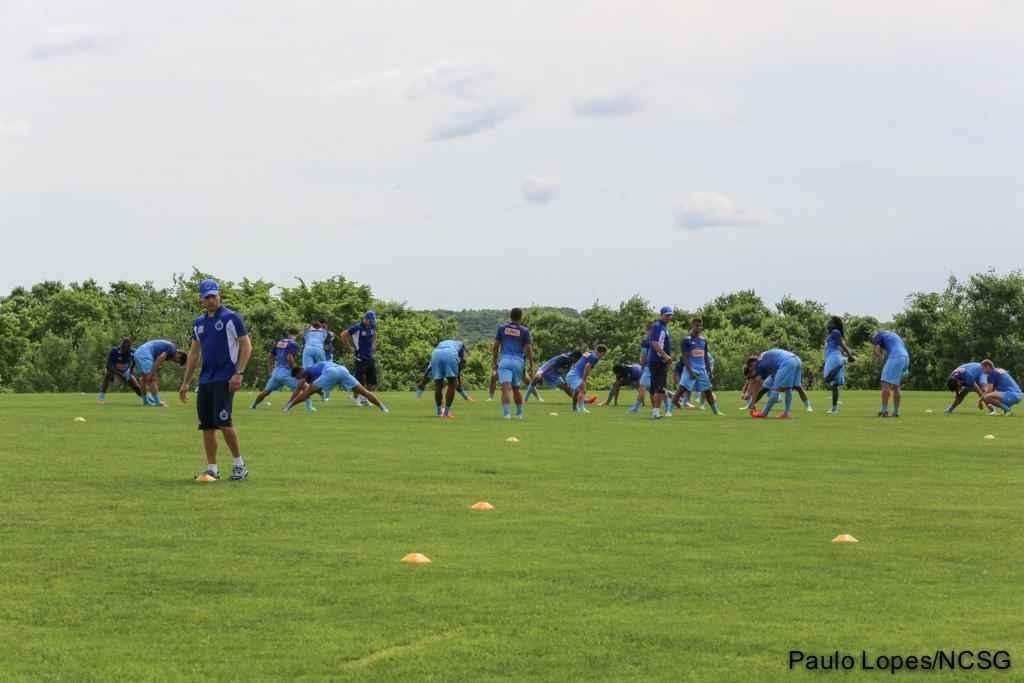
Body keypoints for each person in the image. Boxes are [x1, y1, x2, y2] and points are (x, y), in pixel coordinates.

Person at [178, 279, 253, 481]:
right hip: (206, 380)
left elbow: (246, 346)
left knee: (224, 422)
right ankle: (212, 468)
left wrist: (239, 372)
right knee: (207, 425)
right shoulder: (199, 323)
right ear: (201, 299)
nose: (211, 299)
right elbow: (194, 354)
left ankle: (239, 465)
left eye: (214, 295)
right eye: (207, 297)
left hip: (225, 378)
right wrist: (186, 382)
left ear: (219, 295)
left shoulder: (231, 318)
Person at [284, 361, 388, 413]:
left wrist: (289, 403)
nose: (298, 379)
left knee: (307, 392)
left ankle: (288, 408)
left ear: (299, 372)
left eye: (297, 377)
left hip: (331, 372)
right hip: (342, 369)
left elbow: (299, 389)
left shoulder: (305, 371)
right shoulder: (315, 366)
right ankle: (383, 408)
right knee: (364, 392)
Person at [250, 329, 314, 411]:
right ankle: (306, 407)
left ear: (288, 334)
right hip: (286, 372)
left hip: (276, 372)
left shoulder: (280, 342)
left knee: (266, 392)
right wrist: (295, 371)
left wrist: (270, 371)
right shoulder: (293, 344)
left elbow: (270, 356)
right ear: (297, 335)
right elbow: (289, 357)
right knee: (304, 387)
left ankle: (253, 405)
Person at [492, 308, 534, 419]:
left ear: (510, 316)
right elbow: (529, 349)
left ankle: (507, 414)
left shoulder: (502, 328)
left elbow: (496, 346)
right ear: (521, 317)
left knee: (505, 388)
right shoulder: (524, 331)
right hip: (518, 362)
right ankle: (519, 414)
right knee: (516, 389)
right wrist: (531, 365)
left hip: (504, 361)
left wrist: (494, 362)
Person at [675, 317, 720, 415]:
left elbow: (705, 358)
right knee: (681, 390)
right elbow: (685, 358)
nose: (699, 327)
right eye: (697, 325)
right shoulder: (686, 340)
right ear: (692, 326)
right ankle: (669, 410)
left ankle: (716, 412)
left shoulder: (703, 340)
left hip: (702, 370)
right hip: (690, 369)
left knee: (708, 391)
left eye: (700, 326)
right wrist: (690, 371)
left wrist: (709, 371)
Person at [745, 348, 804, 419]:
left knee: (776, 389)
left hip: (786, 363)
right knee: (788, 388)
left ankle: (764, 413)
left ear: (752, 364)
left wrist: (752, 402)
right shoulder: (762, 358)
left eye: (751, 369)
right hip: (796, 359)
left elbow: (757, 385)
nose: (753, 371)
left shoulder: (759, 365)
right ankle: (786, 413)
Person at [340, 311, 378, 406]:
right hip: (360, 356)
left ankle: (366, 398)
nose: (372, 322)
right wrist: (349, 347)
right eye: (370, 320)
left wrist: (373, 345)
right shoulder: (357, 327)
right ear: (365, 319)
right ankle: (355, 398)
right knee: (359, 379)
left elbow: (374, 334)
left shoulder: (372, 326)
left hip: (369, 356)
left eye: (373, 320)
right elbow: (343, 335)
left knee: (371, 380)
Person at [134, 339, 187, 406]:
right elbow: (160, 358)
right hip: (145, 353)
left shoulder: (169, 351)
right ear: (179, 354)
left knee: (144, 379)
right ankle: (157, 402)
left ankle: (146, 401)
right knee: (152, 379)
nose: (175, 362)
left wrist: (153, 372)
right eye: (178, 361)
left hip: (138, 353)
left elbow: (157, 361)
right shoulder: (172, 349)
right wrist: (152, 373)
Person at [872, 329, 910, 417]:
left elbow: (877, 351)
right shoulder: (892, 335)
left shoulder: (878, 335)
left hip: (896, 357)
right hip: (905, 358)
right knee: (896, 386)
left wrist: (880, 361)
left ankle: (884, 410)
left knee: (885, 383)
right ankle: (896, 412)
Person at [823, 316, 856, 414]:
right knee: (834, 385)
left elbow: (841, 345)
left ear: (834, 324)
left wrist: (849, 354)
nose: (828, 323)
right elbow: (839, 346)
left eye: (830, 322)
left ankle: (844, 361)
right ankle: (834, 409)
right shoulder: (831, 334)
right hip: (831, 357)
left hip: (834, 357)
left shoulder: (835, 332)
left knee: (828, 380)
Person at [98, 338, 144, 403]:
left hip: (125, 370)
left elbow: (135, 360)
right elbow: (109, 365)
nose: (124, 350)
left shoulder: (132, 351)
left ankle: (146, 399)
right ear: (121, 346)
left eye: (127, 348)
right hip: (113, 369)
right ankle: (101, 398)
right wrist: (119, 374)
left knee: (135, 386)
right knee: (108, 374)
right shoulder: (114, 350)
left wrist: (131, 370)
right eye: (123, 348)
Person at [647, 307, 674, 419]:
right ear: (661, 315)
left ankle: (655, 411)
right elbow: (654, 343)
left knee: (656, 387)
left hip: (659, 361)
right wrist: (665, 355)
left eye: (670, 315)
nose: (669, 317)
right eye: (667, 315)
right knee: (659, 387)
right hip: (658, 361)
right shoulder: (657, 326)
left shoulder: (663, 327)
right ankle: (656, 413)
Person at [431, 339, 468, 418]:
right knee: (452, 385)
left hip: (435, 354)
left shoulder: (442, 343)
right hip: (449, 354)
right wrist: (458, 380)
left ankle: (439, 412)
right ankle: (446, 413)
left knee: (438, 385)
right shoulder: (461, 344)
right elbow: (463, 360)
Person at [566, 345, 607, 413]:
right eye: (603, 354)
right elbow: (587, 366)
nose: (602, 356)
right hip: (574, 375)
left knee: (577, 391)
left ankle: (575, 408)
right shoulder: (595, 358)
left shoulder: (589, 353)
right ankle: (581, 409)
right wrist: (584, 379)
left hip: (571, 373)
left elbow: (581, 362)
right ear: (601, 352)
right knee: (582, 389)